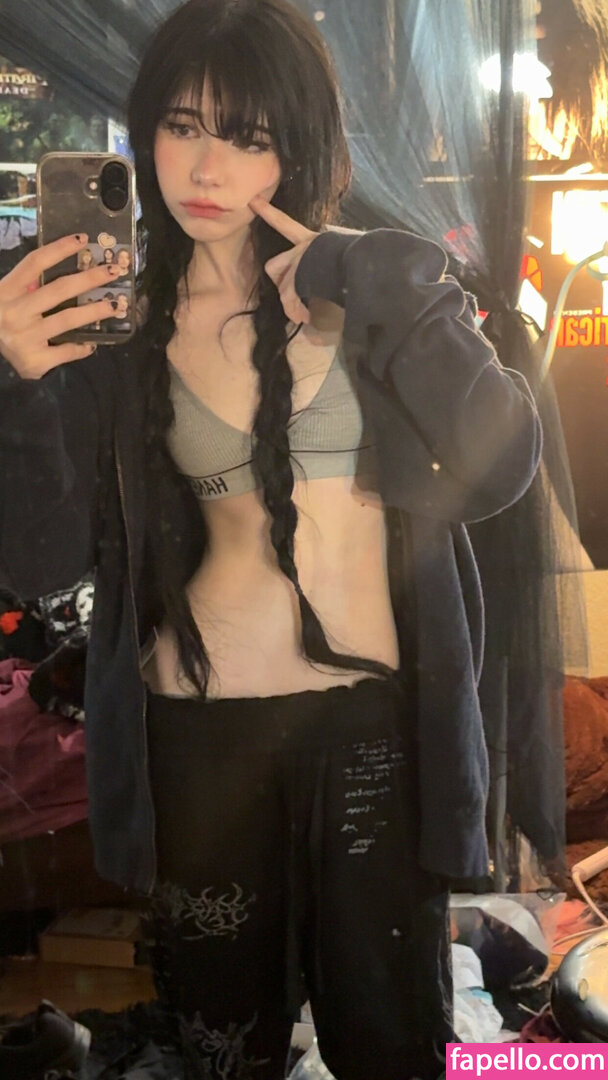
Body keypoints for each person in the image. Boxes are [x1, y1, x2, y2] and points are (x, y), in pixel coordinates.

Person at [0, 1, 542, 1077]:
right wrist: (16, 386)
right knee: (223, 1045)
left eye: (247, 136)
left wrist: (385, 287)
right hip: (199, 734)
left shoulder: (369, 291)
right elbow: (41, 565)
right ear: (146, 132)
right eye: (182, 126)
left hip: (372, 729)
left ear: (297, 147)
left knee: (392, 1042)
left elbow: (500, 466)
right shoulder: (115, 333)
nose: (206, 167)